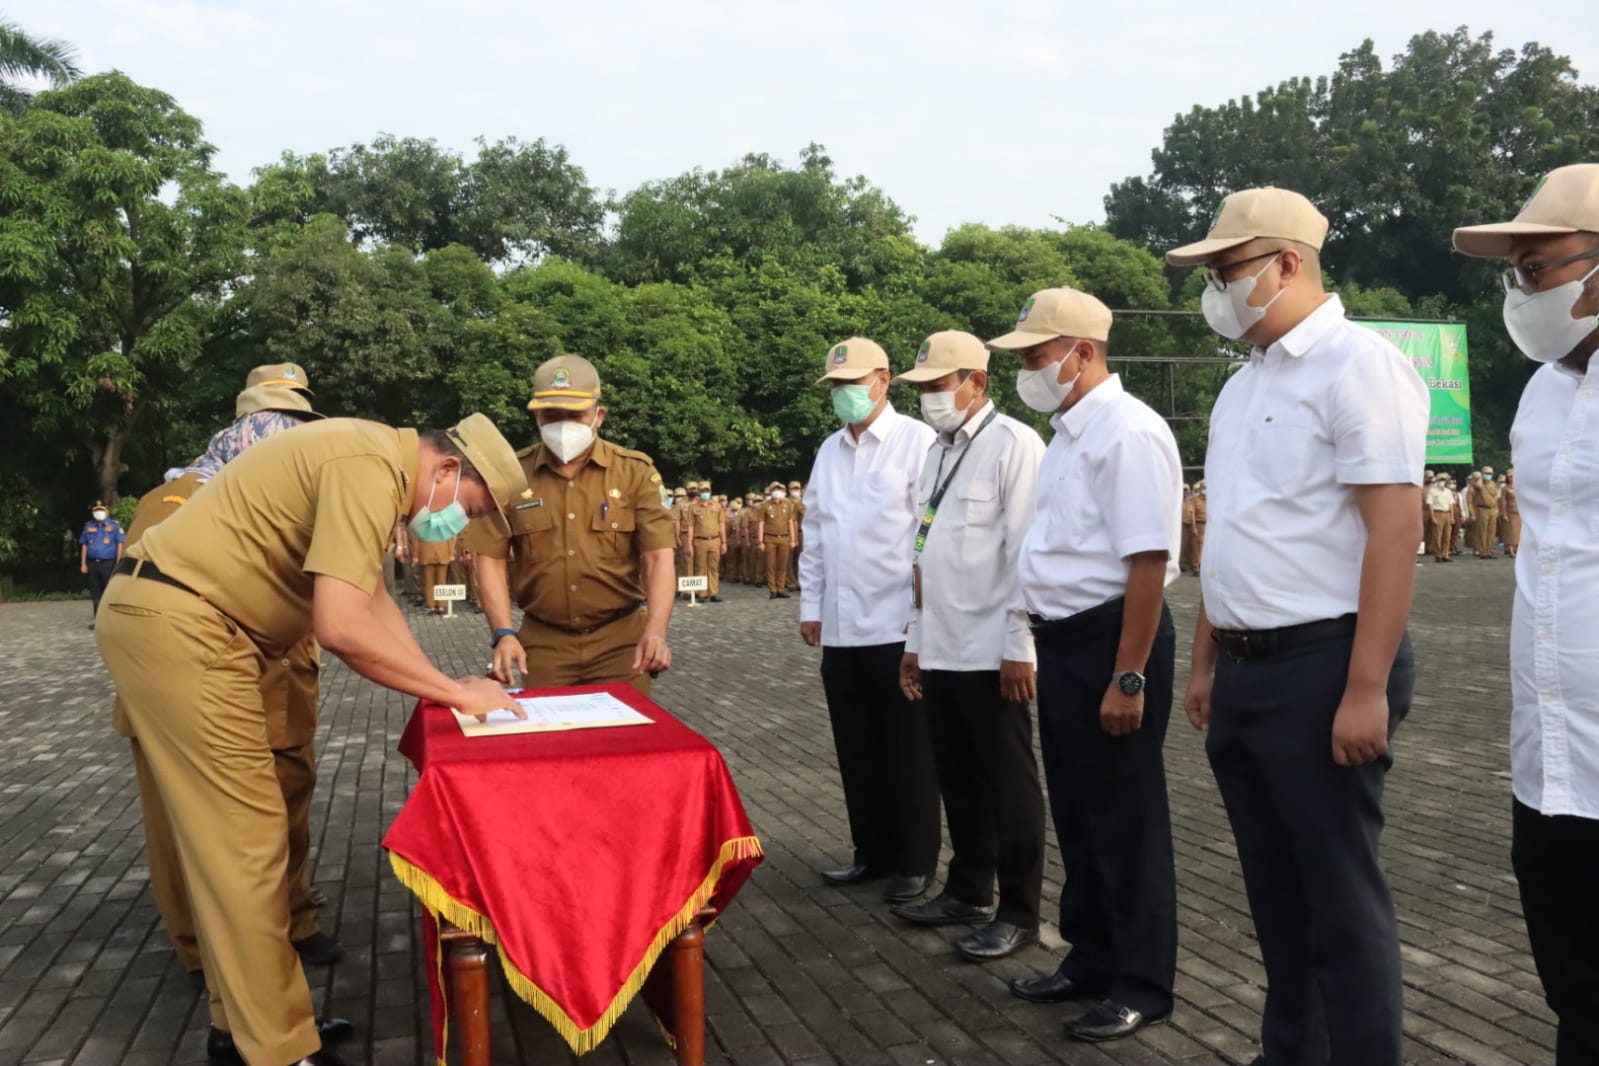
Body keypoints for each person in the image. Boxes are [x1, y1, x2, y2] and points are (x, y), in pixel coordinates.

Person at [97, 413, 529, 1066]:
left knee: (237, 842)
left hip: (183, 622)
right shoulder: (367, 466)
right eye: (468, 507)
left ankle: (245, 1028)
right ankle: (273, 1050)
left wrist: (440, 684)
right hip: (188, 628)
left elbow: (374, 598)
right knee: (245, 844)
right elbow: (342, 626)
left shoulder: (370, 457)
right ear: (446, 470)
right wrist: (457, 694)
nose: (458, 524)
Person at [1167, 187, 1428, 1066]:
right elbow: (1235, 533)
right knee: (1276, 898)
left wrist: (1363, 689)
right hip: (1244, 667)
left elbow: (1394, 529)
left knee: (1340, 903)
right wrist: (1204, 663)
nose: (1213, 291)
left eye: (1226, 270)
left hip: (1324, 665)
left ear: (1287, 263)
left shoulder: (1361, 365)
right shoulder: (1243, 387)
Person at [985, 289, 1184, 1042]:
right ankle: (1090, 957)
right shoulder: (1069, 433)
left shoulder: (1127, 433)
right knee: (1077, 808)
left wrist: (1127, 674)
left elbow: (1146, 563)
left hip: (1112, 642)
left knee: (1126, 819)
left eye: (1036, 357)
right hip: (1066, 643)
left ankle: (1140, 981)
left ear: (1082, 351)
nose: (1029, 372)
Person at [115, 367, 347, 1009]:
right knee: (185, 829)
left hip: (284, 684)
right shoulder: (171, 499)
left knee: (288, 811)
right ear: (243, 425)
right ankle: (198, 946)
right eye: (274, 422)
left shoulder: (303, 490)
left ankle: (294, 921)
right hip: (192, 693)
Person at [1453, 162, 1599, 1065]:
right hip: (1550, 754)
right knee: (1574, 991)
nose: (1522, 290)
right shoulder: (1543, 393)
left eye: (1538, 268)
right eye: (1513, 273)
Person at [891, 330, 1047, 962]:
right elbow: (923, 552)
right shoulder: (934, 453)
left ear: (976, 383)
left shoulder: (1015, 445)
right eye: (923, 387)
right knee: (957, 774)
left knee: (1009, 781)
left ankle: (1020, 910)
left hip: (993, 648)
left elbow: (1025, 555)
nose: (929, 397)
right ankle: (968, 888)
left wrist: (1020, 645)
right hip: (943, 643)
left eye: (938, 385)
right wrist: (915, 638)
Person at [801, 336, 941, 905]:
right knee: (856, 746)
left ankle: (914, 860)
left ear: (883, 381)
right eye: (836, 387)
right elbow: (814, 535)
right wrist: (811, 606)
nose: (843, 395)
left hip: (897, 625)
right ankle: (871, 852)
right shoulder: (828, 451)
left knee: (907, 750)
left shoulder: (917, 441)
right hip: (841, 625)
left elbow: (927, 537)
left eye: (853, 384)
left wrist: (921, 619)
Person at [469, 355, 676, 697]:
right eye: (551, 415)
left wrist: (656, 631)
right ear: (535, 415)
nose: (563, 425)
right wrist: (503, 633)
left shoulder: (634, 473)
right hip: (542, 645)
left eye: (575, 415)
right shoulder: (509, 477)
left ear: (599, 415)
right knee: (552, 744)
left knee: (624, 744)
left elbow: (658, 557)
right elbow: (489, 559)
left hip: (621, 642)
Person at [79, 501, 126, 623]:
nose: (99, 513)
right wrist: (83, 564)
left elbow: (120, 544)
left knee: (108, 592)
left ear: (107, 511)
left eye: (101, 510)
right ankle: (98, 620)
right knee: (95, 592)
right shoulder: (89, 526)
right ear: (93, 512)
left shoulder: (115, 526)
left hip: (108, 563)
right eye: (96, 510)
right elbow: (84, 546)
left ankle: (109, 620)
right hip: (93, 563)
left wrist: (118, 562)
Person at [756, 481, 797, 600]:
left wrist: (793, 539)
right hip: (770, 538)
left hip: (784, 537)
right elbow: (761, 524)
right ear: (771, 491)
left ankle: (780, 589)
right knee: (771, 564)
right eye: (775, 489)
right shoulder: (765, 505)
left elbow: (790, 522)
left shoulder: (788, 504)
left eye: (779, 489)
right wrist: (760, 541)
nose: (777, 491)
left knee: (783, 565)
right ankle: (772, 589)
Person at [688, 481, 727, 602]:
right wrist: (689, 544)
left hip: (715, 540)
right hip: (700, 541)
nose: (705, 493)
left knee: (713, 567)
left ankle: (713, 592)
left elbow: (721, 524)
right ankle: (702, 593)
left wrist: (724, 542)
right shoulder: (693, 507)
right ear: (699, 492)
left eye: (707, 490)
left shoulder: (717, 506)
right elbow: (690, 527)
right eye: (703, 491)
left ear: (710, 491)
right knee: (700, 567)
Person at [413, 528, 455, 614]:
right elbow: (416, 539)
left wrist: (451, 553)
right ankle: (430, 605)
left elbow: (450, 538)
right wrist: (415, 555)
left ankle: (441, 605)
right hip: (426, 553)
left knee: (441, 581)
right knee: (428, 582)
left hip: (443, 553)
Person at [1426, 475, 1455, 562]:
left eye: (1444, 480)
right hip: (1437, 513)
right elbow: (1430, 505)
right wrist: (1432, 517)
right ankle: (1438, 555)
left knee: (1447, 536)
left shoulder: (1448, 491)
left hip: (1447, 513)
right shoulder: (1432, 491)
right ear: (1437, 481)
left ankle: (1445, 554)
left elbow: (1451, 504)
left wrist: (1452, 516)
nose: (1442, 482)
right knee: (1437, 536)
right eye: (1440, 480)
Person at [786, 479, 805, 591]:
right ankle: (791, 582)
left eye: (797, 488)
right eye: (793, 488)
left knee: (800, 558)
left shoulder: (803, 503)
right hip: (787, 533)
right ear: (789, 490)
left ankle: (799, 581)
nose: (795, 491)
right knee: (789, 559)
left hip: (801, 533)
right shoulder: (785, 502)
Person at [1500, 473, 1521, 557]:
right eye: (1509, 477)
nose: (1511, 479)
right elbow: (1503, 501)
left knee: (1518, 532)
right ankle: (1511, 549)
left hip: (1518, 512)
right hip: (1510, 512)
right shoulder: (1505, 488)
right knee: (1511, 532)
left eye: (1512, 477)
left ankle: (1517, 548)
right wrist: (1504, 513)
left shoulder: (1518, 487)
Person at [1179, 485, 1197, 573]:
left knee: (1194, 546)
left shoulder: (1192, 500)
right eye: (1183, 489)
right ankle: (1182, 564)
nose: (1185, 491)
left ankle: (1193, 564)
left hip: (1193, 524)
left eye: (1186, 489)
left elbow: (1193, 513)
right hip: (1182, 524)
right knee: (1183, 545)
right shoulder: (1178, 500)